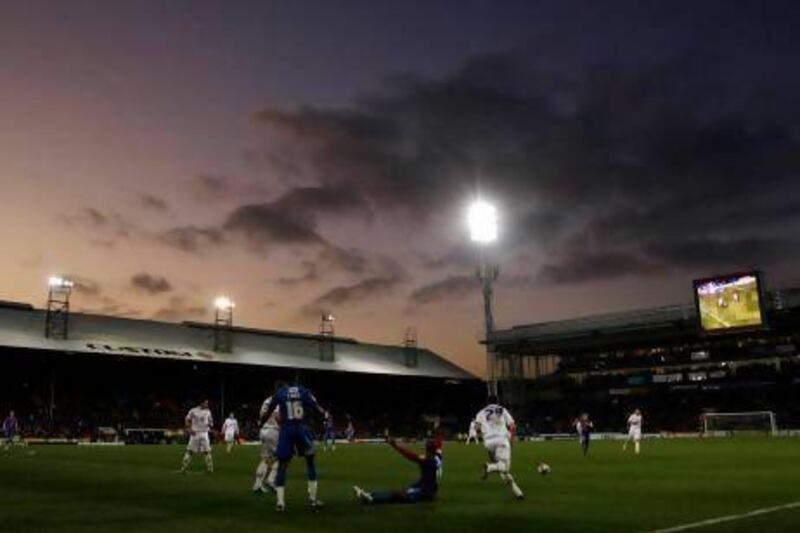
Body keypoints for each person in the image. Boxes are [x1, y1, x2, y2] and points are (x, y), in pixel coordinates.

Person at [262, 382, 329, 512]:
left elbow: (270, 410)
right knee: (310, 462)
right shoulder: (302, 390)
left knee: (282, 465)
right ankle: (313, 500)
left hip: (286, 431)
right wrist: (323, 416)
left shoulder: (280, 393)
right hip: (301, 429)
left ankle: (280, 503)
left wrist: (261, 422)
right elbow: (315, 406)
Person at [354, 438, 441, 505]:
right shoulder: (435, 458)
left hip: (424, 492)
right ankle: (369, 495)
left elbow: (410, 455)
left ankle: (371, 499)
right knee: (398, 492)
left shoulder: (427, 460)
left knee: (397, 495)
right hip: (424, 488)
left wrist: (395, 445)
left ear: (428, 450)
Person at [475, 395, 524, 500]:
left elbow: (477, 428)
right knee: (505, 467)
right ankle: (489, 467)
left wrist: (484, 439)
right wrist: (511, 441)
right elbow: (512, 426)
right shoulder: (502, 410)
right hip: (502, 440)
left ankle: (518, 493)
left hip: (488, 442)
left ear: (487, 403)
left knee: (503, 469)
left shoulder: (481, 412)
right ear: (498, 402)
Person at [253, 394, 281, 493]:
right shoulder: (279, 399)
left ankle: (257, 485)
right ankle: (271, 480)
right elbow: (278, 416)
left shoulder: (267, 400)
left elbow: (261, 415)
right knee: (281, 457)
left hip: (264, 430)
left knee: (265, 459)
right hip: (273, 431)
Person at [180, 399, 214, 473]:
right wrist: (189, 429)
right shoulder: (193, 410)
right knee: (190, 451)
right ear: (201, 403)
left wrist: (210, 424)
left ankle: (210, 469)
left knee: (207, 451)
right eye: (206, 403)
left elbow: (211, 421)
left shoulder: (208, 411)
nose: (207, 404)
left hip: (204, 433)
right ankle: (183, 468)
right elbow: (187, 419)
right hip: (195, 433)